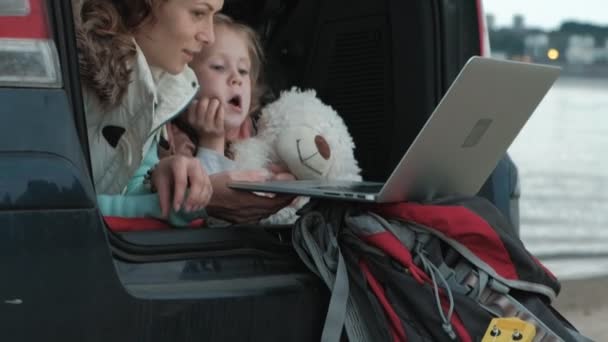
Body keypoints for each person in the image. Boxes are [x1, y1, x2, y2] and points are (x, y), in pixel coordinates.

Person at [76, 0, 292, 225]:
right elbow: (56, 208)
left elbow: (127, 195)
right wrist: (200, 203)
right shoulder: (72, 78)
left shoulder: (159, 91)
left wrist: (162, 180)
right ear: (143, 5)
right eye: (198, 13)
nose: (209, 35)